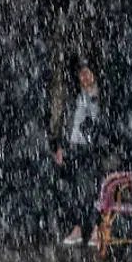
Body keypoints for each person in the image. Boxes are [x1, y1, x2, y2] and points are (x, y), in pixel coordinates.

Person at [55, 61, 101, 246]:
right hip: (75, 147)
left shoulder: (100, 96)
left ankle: (96, 229)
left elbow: (101, 123)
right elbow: (66, 122)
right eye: (82, 74)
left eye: (88, 73)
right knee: (76, 190)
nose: (85, 78)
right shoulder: (75, 97)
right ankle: (78, 229)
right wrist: (61, 147)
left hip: (92, 150)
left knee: (93, 190)